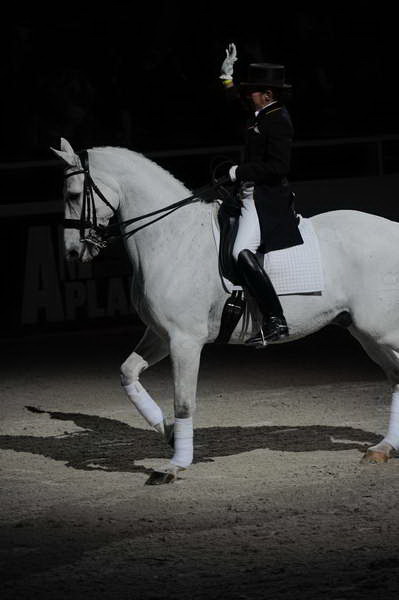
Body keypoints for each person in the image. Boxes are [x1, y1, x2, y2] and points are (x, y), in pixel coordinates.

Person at [219, 43, 303, 347]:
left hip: (265, 198)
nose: (246, 94)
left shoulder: (279, 120)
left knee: (239, 251)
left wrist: (239, 172)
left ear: (267, 95)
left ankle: (274, 319)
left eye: (251, 91)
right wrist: (226, 78)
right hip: (245, 194)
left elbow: (280, 166)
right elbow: (235, 101)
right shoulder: (261, 112)